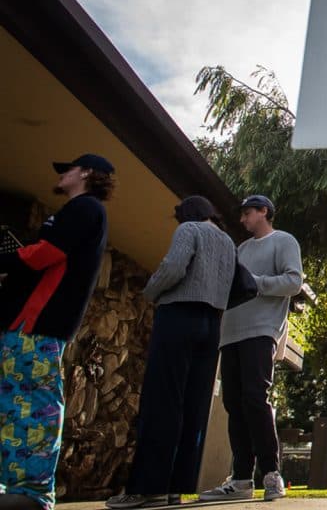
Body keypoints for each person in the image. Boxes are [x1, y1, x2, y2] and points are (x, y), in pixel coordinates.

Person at [106, 196, 236, 508]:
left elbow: (173, 267)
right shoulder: (229, 242)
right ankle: (177, 485)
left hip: (179, 314)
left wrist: (150, 291)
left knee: (163, 398)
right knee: (194, 403)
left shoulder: (189, 229)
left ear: (187, 214)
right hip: (212, 323)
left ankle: (148, 487)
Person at [0, 154, 114, 510]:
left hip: (39, 326)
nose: (61, 174)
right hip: (26, 326)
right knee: (13, 403)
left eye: (67, 168)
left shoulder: (86, 209)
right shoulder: (76, 211)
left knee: (34, 404)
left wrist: (7, 261)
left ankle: (32, 493)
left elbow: (43, 255)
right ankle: (15, 485)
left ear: (87, 174)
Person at [200, 195, 302, 502]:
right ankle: (241, 479)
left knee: (255, 398)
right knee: (233, 403)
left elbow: (293, 281)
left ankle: (272, 474)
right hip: (229, 333)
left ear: (264, 212)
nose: (243, 219)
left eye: (248, 213)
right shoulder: (241, 249)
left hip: (261, 330)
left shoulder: (283, 241)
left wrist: (255, 283)